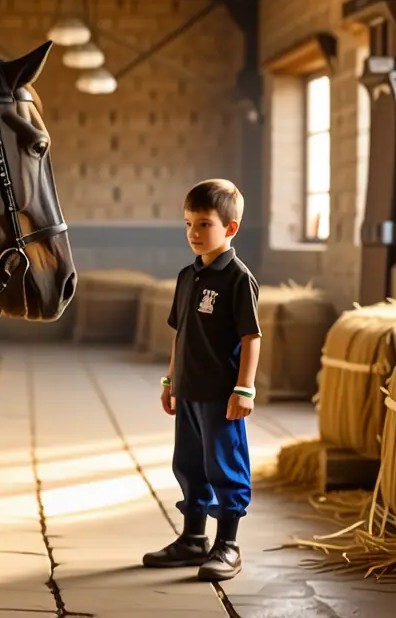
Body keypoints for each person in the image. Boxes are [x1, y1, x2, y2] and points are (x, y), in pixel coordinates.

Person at [142, 178, 261, 581]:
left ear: (230, 228)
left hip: (221, 396)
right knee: (189, 465)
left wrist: (244, 389)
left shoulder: (238, 278)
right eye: (189, 224)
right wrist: (170, 381)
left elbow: (251, 337)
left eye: (204, 224)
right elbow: (181, 334)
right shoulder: (186, 276)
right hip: (189, 392)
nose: (194, 232)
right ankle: (193, 538)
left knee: (224, 466)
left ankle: (227, 545)